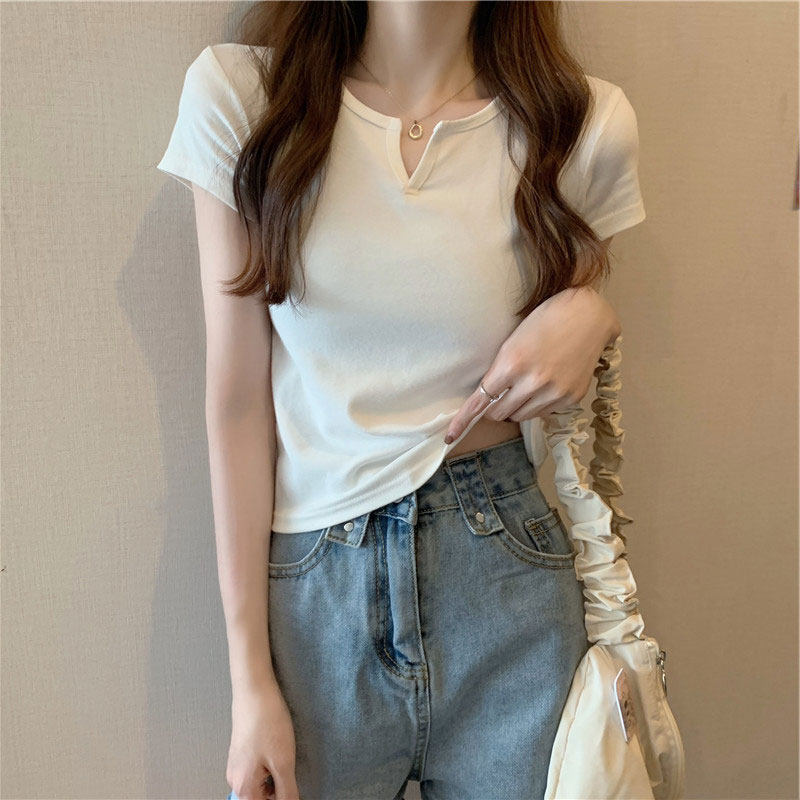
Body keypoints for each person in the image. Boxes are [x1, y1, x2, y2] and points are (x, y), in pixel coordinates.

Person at [156, 2, 646, 798]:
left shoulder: (582, 125)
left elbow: (561, 363)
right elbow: (237, 405)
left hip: (508, 582)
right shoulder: (244, 99)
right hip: (318, 599)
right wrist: (251, 685)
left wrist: (595, 312)